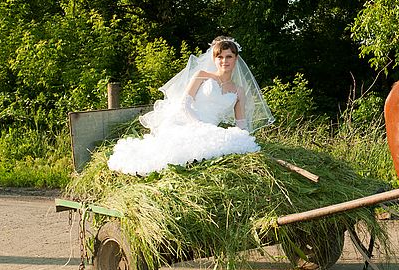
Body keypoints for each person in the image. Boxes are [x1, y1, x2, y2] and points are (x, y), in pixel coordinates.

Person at [107, 36, 274, 176]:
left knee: (228, 145)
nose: (224, 61)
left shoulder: (239, 91)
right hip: (185, 121)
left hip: (211, 129)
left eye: (229, 56)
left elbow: (241, 123)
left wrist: (243, 139)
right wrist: (198, 126)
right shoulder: (202, 75)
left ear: (236, 59)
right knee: (180, 152)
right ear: (214, 59)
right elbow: (184, 105)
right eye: (220, 57)